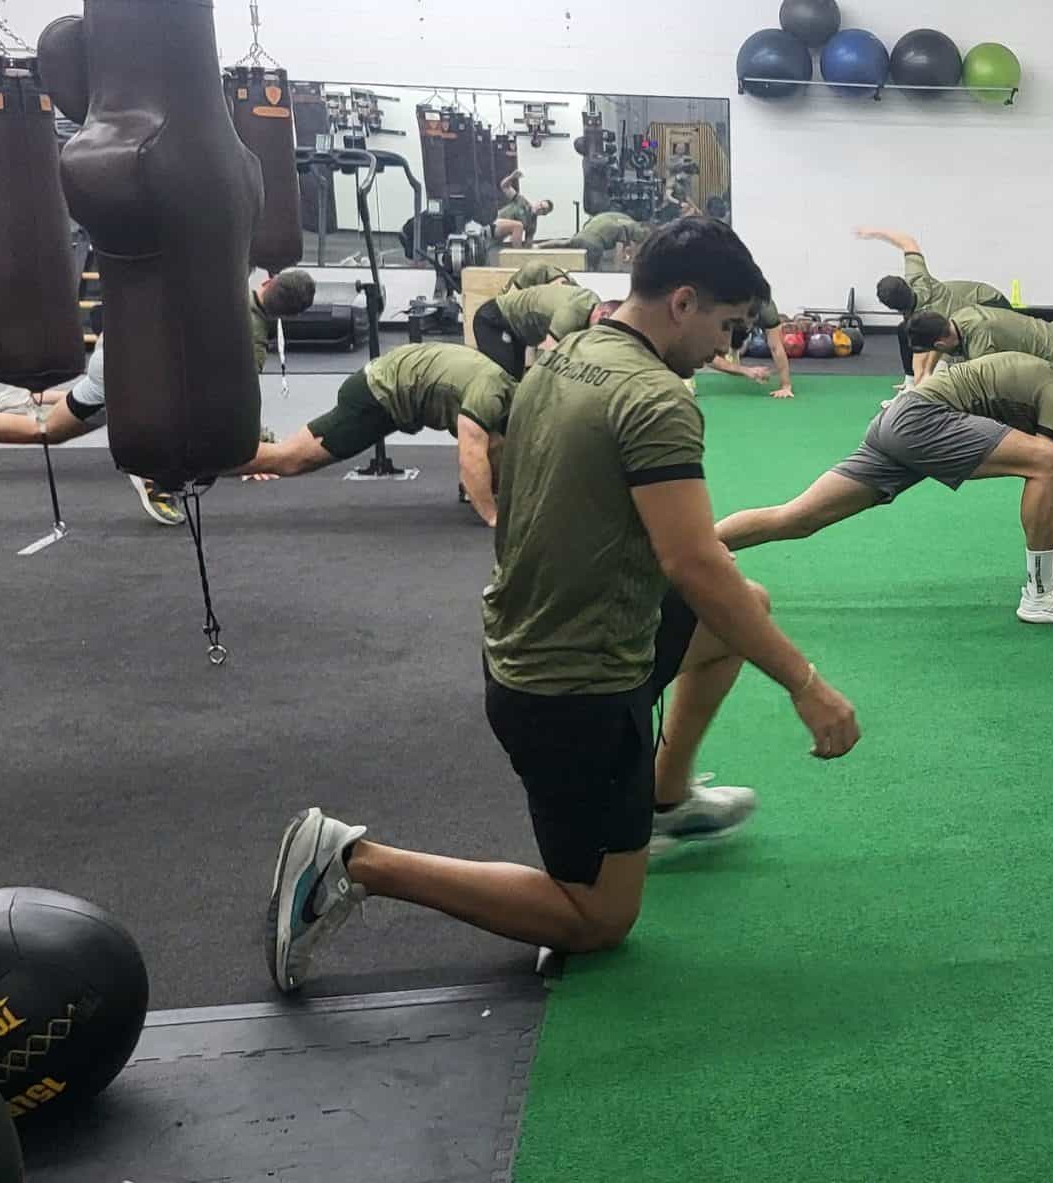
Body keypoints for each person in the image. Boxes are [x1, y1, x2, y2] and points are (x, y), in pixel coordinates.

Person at [265, 217, 861, 994]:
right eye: (728, 326)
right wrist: (807, 684)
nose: (727, 347)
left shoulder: (566, 353)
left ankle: (664, 796)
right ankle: (350, 861)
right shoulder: (656, 398)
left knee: (743, 607)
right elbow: (693, 562)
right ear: (683, 303)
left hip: (533, 637)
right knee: (599, 917)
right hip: (573, 686)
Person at [714, 352, 1053, 626]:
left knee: (798, 518)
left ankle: (693, 550)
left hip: (897, 423)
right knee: (1049, 461)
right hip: (923, 421)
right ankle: (1038, 594)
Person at [0, 270, 318, 525]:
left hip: (122, 339)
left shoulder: (227, 281)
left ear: (267, 281)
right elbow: (233, 398)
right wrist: (254, 441)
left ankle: (35, 398)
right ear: (291, 316)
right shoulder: (252, 338)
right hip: (129, 372)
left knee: (89, 406)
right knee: (47, 432)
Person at [229, 342, 511, 523]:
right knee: (290, 459)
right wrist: (492, 517)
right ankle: (209, 463)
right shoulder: (488, 397)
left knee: (494, 443)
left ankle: (488, 494)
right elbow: (470, 458)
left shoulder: (505, 387)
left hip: (398, 378)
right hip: (376, 396)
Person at [853, 226, 1009, 388]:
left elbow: (924, 362)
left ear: (891, 308)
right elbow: (907, 242)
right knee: (908, 333)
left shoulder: (927, 317)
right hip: (968, 303)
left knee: (966, 358)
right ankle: (908, 382)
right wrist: (875, 232)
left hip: (990, 303)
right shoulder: (917, 277)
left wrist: (920, 384)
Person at [473, 280, 603, 380]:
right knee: (503, 381)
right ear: (603, 313)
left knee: (515, 382)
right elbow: (546, 351)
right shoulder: (573, 313)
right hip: (493, 321)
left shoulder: (593, 303)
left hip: (518, 331)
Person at [905, 302, 1053, 371]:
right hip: (1051, 333)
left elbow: (984, 386)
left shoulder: (980, 344)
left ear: (939, 344)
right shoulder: (960, 315)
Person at [701, 296, 797, 398]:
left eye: (750, 319)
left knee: (739, 337)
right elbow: (706, 356)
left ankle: (734, 350)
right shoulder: (716, 311)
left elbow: (776, 347)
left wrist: (785, 385)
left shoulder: (767, 310)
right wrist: (746, 370)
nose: (747, 324)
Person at [540, 210, 653, 270]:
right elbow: (619, 250)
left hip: (581, 235)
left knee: (566, 243)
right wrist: (617, 272)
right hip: (595, 245)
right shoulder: (629, 227)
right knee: (594, 272)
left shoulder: (616, 218)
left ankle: (539, 246)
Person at [492, 171, 554, 246]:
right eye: (541, 205)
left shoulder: (532, 225)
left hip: (498, 238)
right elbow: (504, 186)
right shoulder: (521, 201)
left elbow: (528, 243)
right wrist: (512, 177)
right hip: (494, 225)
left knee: (517, 230)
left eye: (543, 210)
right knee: (518, 226)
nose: (539, 208)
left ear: (544, 214)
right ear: (538, 202)